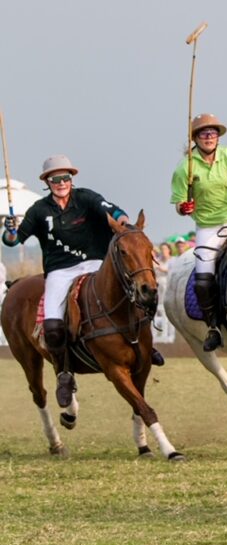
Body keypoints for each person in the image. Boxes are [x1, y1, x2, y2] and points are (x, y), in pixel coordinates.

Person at [2, 155, 131, 408]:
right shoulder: (39, 210)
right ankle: (63, 374)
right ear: (47, 182)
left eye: (65, 177)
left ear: (71, 179)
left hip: (94, 262)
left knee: (131, 292)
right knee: (51, 325)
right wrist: (9, 230)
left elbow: (112, 210)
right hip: (60, 271)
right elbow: (14, 240)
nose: (61, 182)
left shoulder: (85, 198)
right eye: (55, 179)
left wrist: (124, 222)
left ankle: (143, 346)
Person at [170, 113, 227, 352]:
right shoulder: (184, 168)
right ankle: (213, 327)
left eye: (212, 133)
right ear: (195, 138)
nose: (209, 137)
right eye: (203, 133)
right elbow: (179, 203)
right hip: (208, 227)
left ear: (218, 137)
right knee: (203, 278)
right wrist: (184, 207)